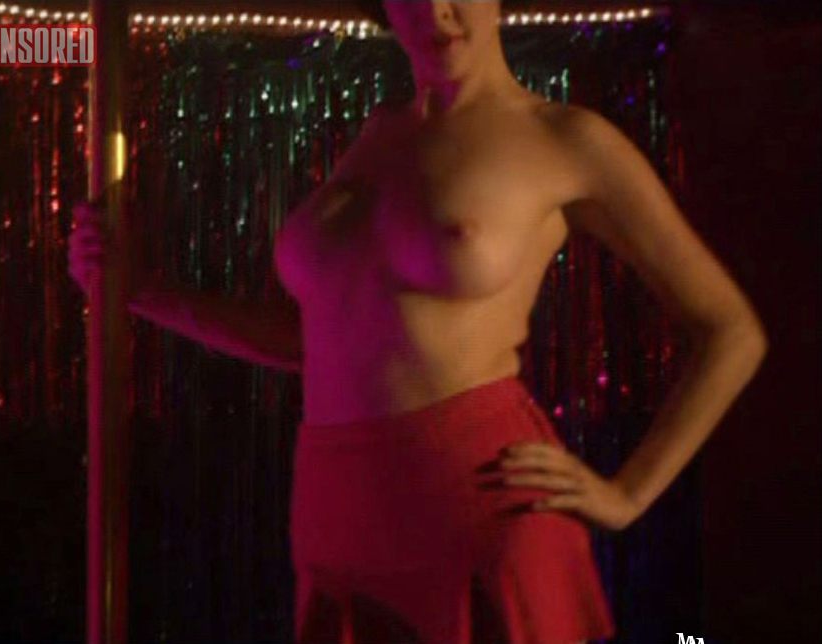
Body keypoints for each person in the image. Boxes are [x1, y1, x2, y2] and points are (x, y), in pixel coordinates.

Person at [69, 1, 768, 642]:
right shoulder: (377, 135)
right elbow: (320, 341)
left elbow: (731, 330)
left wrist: (627, 495)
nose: (437, 10)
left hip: (479, 512)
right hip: (335, 516)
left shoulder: (565, 139)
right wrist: (142, 291)